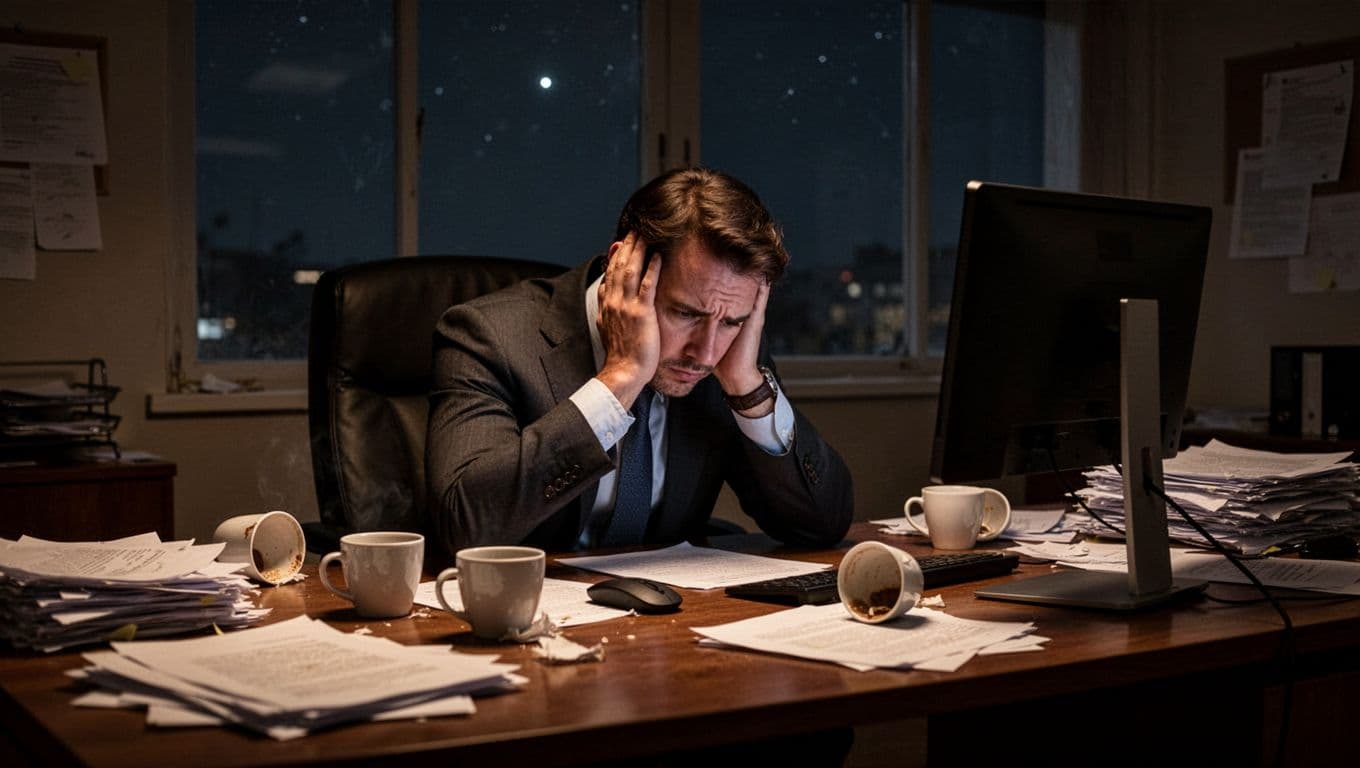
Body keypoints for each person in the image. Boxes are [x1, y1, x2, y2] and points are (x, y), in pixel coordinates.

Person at [425, 167, 853, 556]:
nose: (705, 354)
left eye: (732, 321)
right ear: (623, 270)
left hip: (675, 610)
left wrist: (748, 388)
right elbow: (464, 525)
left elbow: (822, 525)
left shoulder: (731, 355)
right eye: (685, 313)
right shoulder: (489, 336)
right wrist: (621, 379)